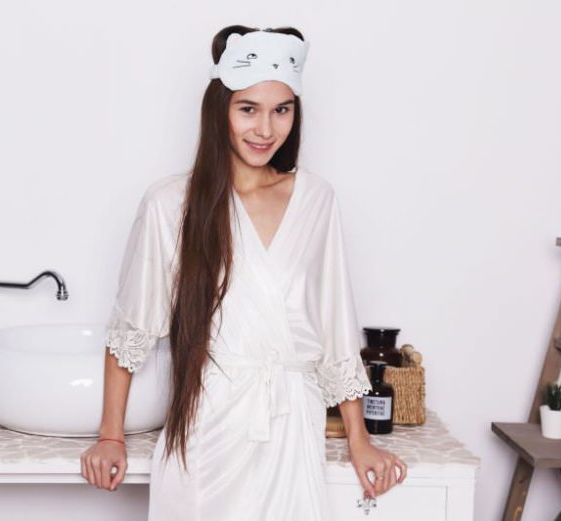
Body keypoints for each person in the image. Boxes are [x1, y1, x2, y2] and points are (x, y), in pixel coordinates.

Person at [81, 24, 408, 520]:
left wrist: (360, 441)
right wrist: (111, 435)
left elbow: (336, 329)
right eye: (248, 109)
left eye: (282, 110)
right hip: (207, 429)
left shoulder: (316, 200)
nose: (266, 130)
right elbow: (130, 330)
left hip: (291, 427)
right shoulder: (171, 204)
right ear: (220, 110)